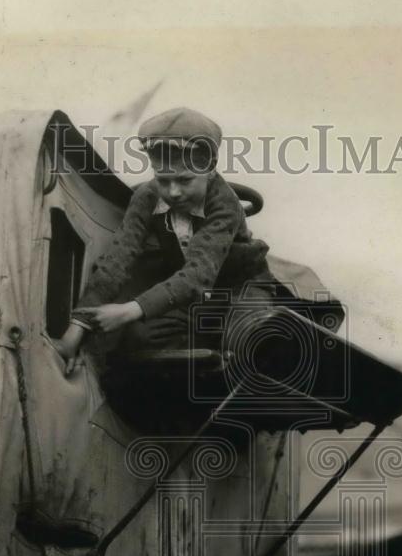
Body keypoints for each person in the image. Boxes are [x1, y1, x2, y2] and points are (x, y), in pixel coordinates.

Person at [51, 107, 277, 373]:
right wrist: (79, 327)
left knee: (249, 341)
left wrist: (129, 310)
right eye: (163, 179)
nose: (173, 192)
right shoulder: (146, 198)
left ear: (210, 169)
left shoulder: (225, 203)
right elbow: (117, 261)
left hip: (241, 288)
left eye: (185, 180)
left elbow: (197, 276)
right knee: (140, 338)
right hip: (195, 300)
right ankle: (197, 378)